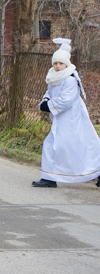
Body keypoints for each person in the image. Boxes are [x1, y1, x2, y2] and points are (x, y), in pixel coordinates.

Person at [32, 38, 100, 188]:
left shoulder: (69, 79)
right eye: (55, 63)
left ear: (66, 64)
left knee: (82, 144)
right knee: (53, 144)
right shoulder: (53, 76)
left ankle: (96, 171)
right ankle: (49, 178)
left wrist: (48, 106)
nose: (57, 66)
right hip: (62, 118)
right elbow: (49, 91)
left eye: (60, 64)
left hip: (72, 118)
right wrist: (45, 100)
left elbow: (66, 100)